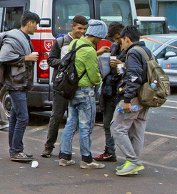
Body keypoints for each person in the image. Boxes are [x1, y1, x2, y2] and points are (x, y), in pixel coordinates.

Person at [0, 11, 40, 163]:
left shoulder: (23, 37)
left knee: (16, 117)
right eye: (36, 24)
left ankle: (15, 149)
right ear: (29, 23)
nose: (36, 27)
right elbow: (4, 58)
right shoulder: (14, 38)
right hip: (15, 83)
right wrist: (26, 58)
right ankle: (16, 150)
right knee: (23, 117)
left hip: (21, 83)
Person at [58, 20, 106, 168]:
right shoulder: (90, 51)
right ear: (97, 36)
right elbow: (93, 75)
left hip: (72, 89)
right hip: (85, 91)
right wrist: (100, 79)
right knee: (86, 126)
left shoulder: (75, 43)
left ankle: (64, 156)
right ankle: (86, 159)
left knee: (71, 123)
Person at [42, 15, 89, 158]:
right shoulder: (61, 41)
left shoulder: (84, 43)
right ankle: (48, 147)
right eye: (79, 28)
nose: (82, 31)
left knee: (74, 121)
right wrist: (65, 63)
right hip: (62, 86)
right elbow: (50, 60)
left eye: (84, 29)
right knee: (56, 117)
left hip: (77, 86)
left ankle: (66, 149)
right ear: (72, 27)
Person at [111, 26, 154, 177]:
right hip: (145, 97)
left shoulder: (133, 53)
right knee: (137, 130)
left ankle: (133, 160)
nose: (120, 46)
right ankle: (132, 163)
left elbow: (133, 78)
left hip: (133, 97)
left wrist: (127, 100)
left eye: (121, 42)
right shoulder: (145, 51)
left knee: (117, 128)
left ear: (127, 39)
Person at [94, 21, 126, 163]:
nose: (117, 41)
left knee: (124, 126)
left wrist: (121, 64)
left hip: (122, 91)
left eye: (118, 38)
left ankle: (130, 156)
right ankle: (109, 151)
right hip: (109, 89)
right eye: (115, 39)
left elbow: (134, 71)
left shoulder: (132, 49)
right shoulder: (114, 46)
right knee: (107, 122)